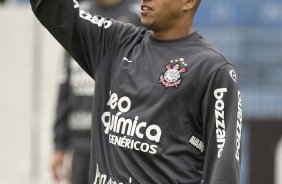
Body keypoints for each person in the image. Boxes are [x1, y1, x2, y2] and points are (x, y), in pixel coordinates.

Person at [31, 0, 243, 183]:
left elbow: (223, 169)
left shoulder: (214, 71)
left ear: (189, 2)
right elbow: (51, 7)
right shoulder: (114, 42)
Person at [50, 0, 140, 184]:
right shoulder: (80, 13)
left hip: (116, 145)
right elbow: (64, 83)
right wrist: (59, 145)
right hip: (80, 142)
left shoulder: (137, 15)